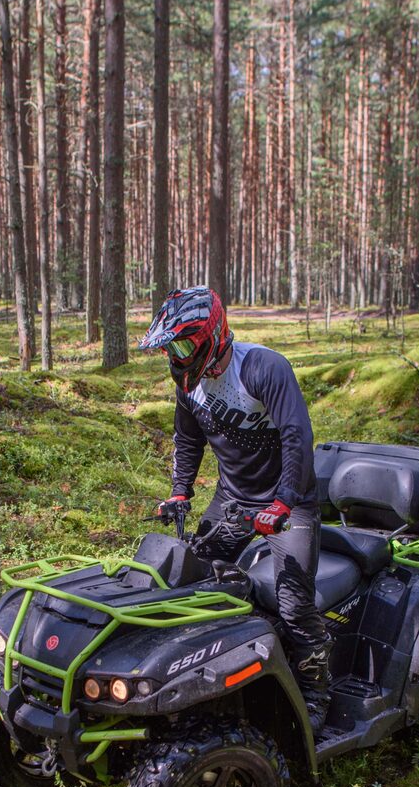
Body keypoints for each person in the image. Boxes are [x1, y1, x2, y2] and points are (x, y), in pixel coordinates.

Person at [137, 286, 332, 730]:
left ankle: (317, 694)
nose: (176, 357)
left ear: (211, 337)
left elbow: (296, 436)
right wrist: (180, 491)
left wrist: (284, 501)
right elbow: (188, 439)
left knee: (293, 604)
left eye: (182, 346)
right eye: (170, 349)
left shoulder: (263, 368)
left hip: (290, 504)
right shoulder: (188, 386)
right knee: (186, 578)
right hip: (232, 499)